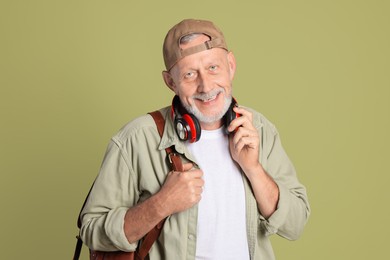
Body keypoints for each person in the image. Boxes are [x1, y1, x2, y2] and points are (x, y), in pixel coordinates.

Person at [80, 19, 310, 260]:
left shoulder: (260, 129)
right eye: (190, 74)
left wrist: (253, 169)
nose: (206, 86)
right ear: (171, 82)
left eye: (213, 68)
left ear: (230, 65)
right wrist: (161, 204)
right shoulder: (136, 139)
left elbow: (295, 225)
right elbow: (91, 229)